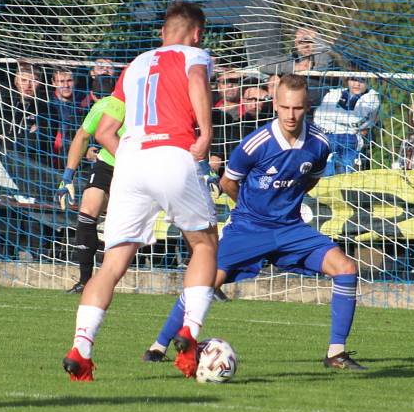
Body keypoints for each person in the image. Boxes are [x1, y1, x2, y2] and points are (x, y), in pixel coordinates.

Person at [143, 73, 366, 371]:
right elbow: (228, 182)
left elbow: (310, 179)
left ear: (307, 107)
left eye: (298, 108)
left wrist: (283, 206)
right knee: (206, 281)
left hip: (290, 229)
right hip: (248, 228)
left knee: (346, 268)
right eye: (285, 107)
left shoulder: (319, 144)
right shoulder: (254, 145)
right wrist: (253, 210)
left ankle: (336, 353)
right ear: (275, 104)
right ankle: (158, 346)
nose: (291, 114)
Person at [62, 1, 219, 381]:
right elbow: (197, 81)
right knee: (204, 244)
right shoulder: (195, 54)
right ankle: (190, 333)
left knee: (112, 264)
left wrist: (135, 159)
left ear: (163, 33)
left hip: (130, 161)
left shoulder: (135, 64)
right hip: (173, 152)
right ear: (196, 33)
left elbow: (104, 132)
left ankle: (81, 348)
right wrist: (206, 132)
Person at [55, 74, 121, 294]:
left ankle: (209, 281)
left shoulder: (150, 109)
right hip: (107, 166)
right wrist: (67, 177)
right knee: (87, 209)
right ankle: (85, 281)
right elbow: (82, 136)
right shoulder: (106, 106)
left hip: (137, 169)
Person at [313, 75, 381, 175]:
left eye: (362, 80)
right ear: (347, 80)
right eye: (353, 79)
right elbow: (318, 115)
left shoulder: (372, 99)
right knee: (326, 170)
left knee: (346, 172)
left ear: (368, 81)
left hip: (352, 140)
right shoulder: (333, 94)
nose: (357, 84)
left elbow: (357, 121)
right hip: (327, 136)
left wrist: (331, 119)